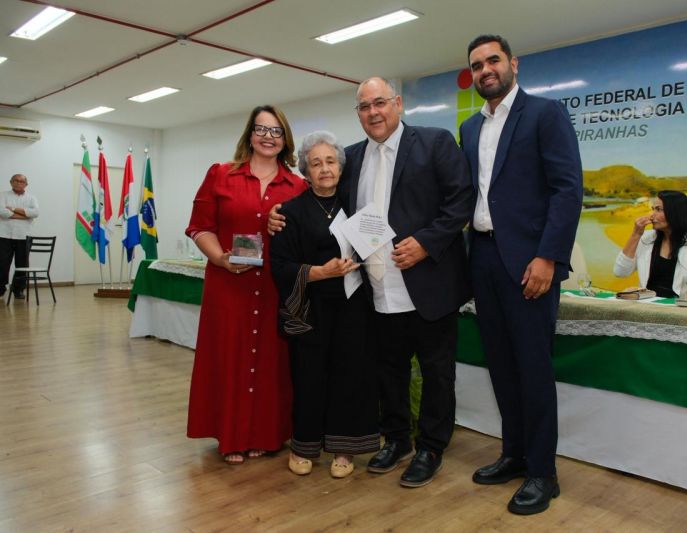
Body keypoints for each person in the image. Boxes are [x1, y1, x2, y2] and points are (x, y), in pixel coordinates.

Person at [270, 77, 473, 487]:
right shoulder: (353, 157)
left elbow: (461, 200)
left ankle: (431, 447)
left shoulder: (433, 142)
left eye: (379, 103)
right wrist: (278, 212)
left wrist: (427, 243)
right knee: (389, 371)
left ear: (397, 103)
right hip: (376, 291)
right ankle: (397, 439)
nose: (373, 112)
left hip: (428, 284)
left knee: (436, 373)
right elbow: (323, 197)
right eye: (364, 106)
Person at [459, 35, 583, 515]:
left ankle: (543, 472)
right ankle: (514, 454)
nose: (485, 69)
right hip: (484, 258)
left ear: (513, 63)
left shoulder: (545, 114)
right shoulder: (470, 127)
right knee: (502, 366)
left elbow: (567, 190)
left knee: (533, 369)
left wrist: (549, 256)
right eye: (476, 65)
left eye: (493, 60)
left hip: (530, 262)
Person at [185, 105, 307, 465]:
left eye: (276, 131)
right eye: (261, 129)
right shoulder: (220, 174)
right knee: (229, 360)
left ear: (285, 139)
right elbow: (200, 227)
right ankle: (232, 437)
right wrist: (220, 257)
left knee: (271, 363)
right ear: (250, 134)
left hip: (274, 289)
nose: (268, 137)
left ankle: (265, 436)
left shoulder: (298, 186)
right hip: (228, 286)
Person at [270, 131, 379, 478]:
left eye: (330, 161)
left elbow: (375, 251)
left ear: (341, 167)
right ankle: (303, 445)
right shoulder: (289, 212)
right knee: (309, 377)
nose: (325, 169)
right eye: (316, 163)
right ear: (306, 171)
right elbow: (279, 266)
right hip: (311, 308)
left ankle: (344, 450)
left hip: (354, 306)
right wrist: (320, 272)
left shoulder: (358, 206)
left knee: (350, 376)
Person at [613, 190, 687, 297]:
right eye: (653, 209)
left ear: (676, 213)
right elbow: (620, 272)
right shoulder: (646, 238)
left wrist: (683, 298)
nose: (651, 215)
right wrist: (635, 235)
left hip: (681, 306)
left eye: (658, 209)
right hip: (647, 304)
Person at [0, 174, 40, 299]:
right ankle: (0, 288)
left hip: (24, 235)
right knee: (2, 262)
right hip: (4, 234)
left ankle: (18, 290)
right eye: (16, 180)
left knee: (22, 264)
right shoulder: (2, 195)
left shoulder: (31, 198)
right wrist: (25, 215)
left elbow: (35, 213)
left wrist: (12, 209)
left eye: (21, 181)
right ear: (11, 182)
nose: (18, 183)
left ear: (26, 184)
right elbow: (2, 211)